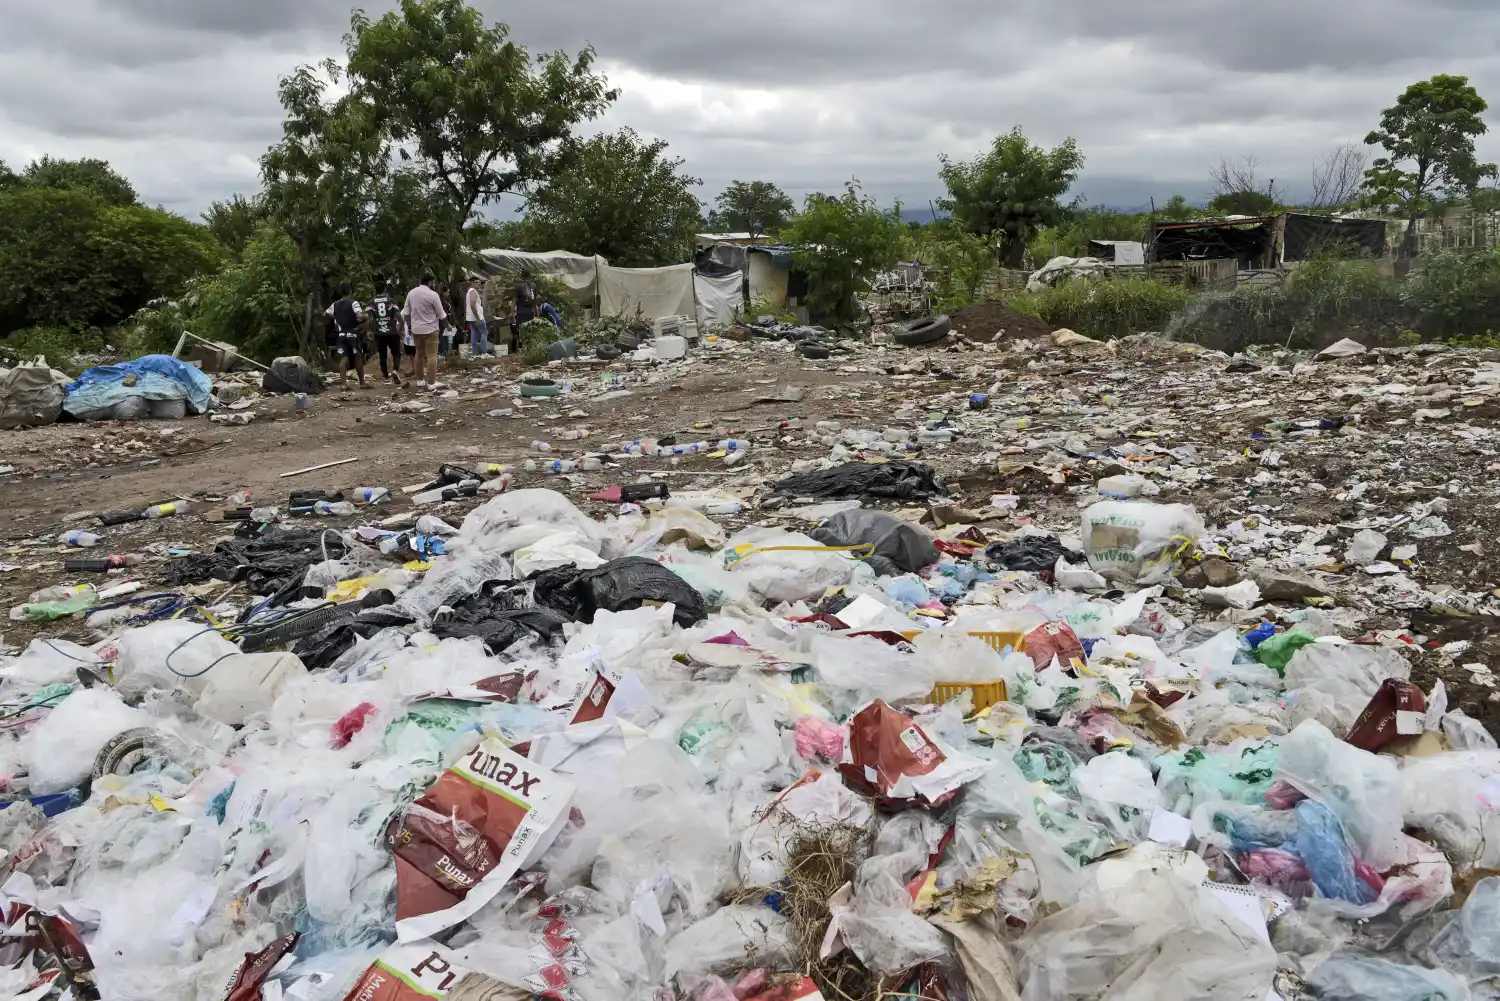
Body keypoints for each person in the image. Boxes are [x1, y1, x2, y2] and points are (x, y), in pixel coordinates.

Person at [402, 274, 447, 389]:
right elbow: (441, 314)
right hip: (431, 329)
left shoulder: (411, 293)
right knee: (432, 355)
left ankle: (419, 381)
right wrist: (448, 325)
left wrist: (410, 326)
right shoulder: (433, 294)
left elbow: (406, 313)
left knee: (419, 354)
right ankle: (431, 383)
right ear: (430, 282)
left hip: (416, 330)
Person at [323, 286, 369, 390]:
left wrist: (336, 317)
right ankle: (362, 383)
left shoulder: (335, 304)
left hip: (341, 334)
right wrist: (366, 316)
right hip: (353, 333)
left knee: (344, 358)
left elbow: (324, 314)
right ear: (350, 292)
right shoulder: (354, 303)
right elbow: (359, 316)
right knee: (358, 356)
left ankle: (343, 384)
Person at [368, 279, 405, 385]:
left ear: (376, 290)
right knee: (396, 353)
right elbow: (399, 316)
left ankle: (385, 377)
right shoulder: (391, 301)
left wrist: (370, 331)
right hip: (392, 331)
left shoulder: (371, 302)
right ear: (385, 289)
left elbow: (369, 318)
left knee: (382, 355)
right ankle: (395, 371)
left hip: (379, 332)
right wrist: (402, 329)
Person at [510, 268, 539, 353]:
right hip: (530, 313)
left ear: (522, 276)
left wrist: (512, 312)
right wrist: (536, 311)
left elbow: (514, 300)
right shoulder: (534, 285)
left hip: (521, 313)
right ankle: (530, 350)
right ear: (529, 276)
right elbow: (535, 301)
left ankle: (522, 351)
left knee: (521, 333)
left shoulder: (519, 286)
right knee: (530, 332)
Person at [465, 278, 490, 357]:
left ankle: (474, 353)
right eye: (477, 282)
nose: (479, 284)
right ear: (472, 283)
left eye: (479, 282)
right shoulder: (473, 292)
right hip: (477, 316)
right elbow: (473, 305)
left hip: (470, 317)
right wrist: (478, 318)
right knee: (484, 333)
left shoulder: (469, 291)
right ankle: (484, 353)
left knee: (474, 334)